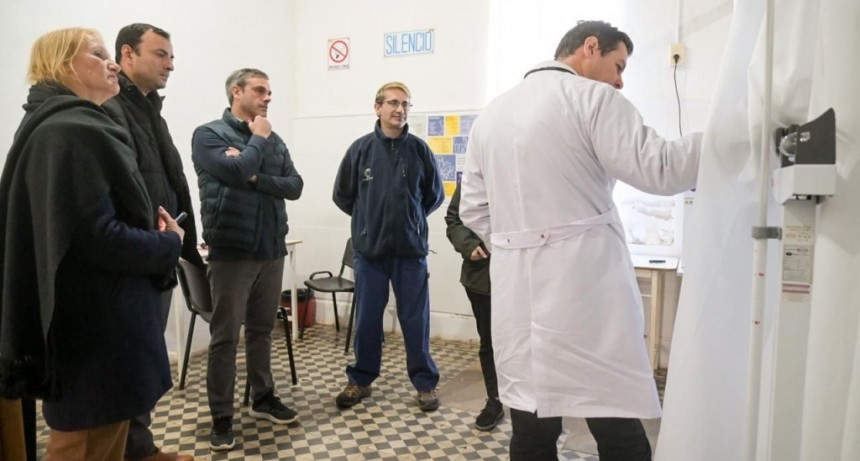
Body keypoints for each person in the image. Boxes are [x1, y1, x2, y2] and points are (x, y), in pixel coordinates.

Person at [459, 21, 702, 461]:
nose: (620, 80)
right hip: (586, 293)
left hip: (519, 292)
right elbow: (661, 168)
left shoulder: (492, 113)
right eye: (618, 65)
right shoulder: (594, 99)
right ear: (590, 47)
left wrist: (521, 247)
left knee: (531, 429)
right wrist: (727, 141)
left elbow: (473, 209)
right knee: (616, 423)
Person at [0, 28, 185, 460]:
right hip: (95, 331)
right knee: (84, 445)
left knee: (106, 442)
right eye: (99, 54)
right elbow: (96, 237)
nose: (113, 63)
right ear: (66, 65)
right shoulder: (70, 130)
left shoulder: (60, 125)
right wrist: (167, 243)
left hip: (97, 324)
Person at [102, 22, 202, 461]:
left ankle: (139, 447)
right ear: (127, 55)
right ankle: (130, 449)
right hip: (134, 256)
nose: (171, 64)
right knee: (127, 363)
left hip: (158, 253)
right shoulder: (110, 107)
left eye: (171, 55)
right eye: (161, 54)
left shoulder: (147, 108)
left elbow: (166, 180)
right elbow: (122, 187)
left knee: (142, 360)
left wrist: (183, 243)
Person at [191, 68, 304, 451]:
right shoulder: (208, 135)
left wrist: (255, 178)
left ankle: (263, 397)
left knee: (262, 330)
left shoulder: (274, 138)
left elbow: (295, 186)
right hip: (232, 252)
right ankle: (222, 416)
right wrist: (256, 143)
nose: (267, 97)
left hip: (272, 248)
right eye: (260, 90)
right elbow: (235, 168)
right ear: (236, 92)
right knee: (225, 337)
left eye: (270, 91)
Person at [332, 81, 445, 412]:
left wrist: (410, 220)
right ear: (377, 107)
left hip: (410, 254)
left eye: (405, 104)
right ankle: (360, 380)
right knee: (367, 318)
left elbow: (433, 195)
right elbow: (343, 195)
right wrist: (369, 220)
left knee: (416, 320)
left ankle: (425, 384)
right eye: (393, 103)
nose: (399, 109)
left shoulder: (420, 150)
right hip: (370, 254)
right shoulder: (360, 150)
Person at [444, 181, 504, 431]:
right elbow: (454, 219)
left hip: (526, 275)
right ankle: (495, 400)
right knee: (489, 341)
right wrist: (469, 246)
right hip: (482, 277)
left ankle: (536, 405)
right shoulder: (475, 173)